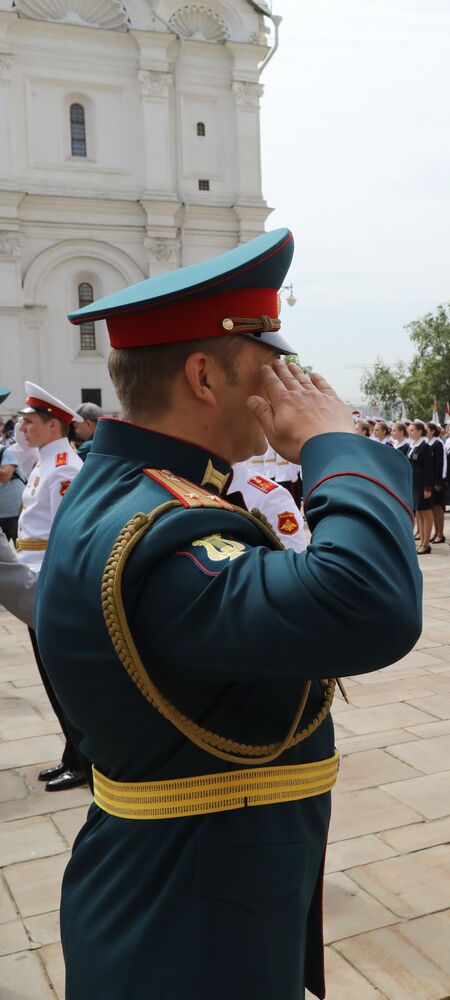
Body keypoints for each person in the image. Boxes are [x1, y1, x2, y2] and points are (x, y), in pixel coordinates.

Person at [42, 228, 422, 999]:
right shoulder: (164, 528)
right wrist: (338, 448)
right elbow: (369, 601)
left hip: (185, 893)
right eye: (270, 363)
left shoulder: (124, 489)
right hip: (189, 926)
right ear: (205, 375)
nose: (287, 383)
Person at [17, 383, 87, 791]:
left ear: (53, 424)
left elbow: (66, 532)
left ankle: (81, 760)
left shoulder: (62, 466)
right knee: (50, 676)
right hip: (34, 576)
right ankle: (71, 754)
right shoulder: (46, 461)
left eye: (29, 421)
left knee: (60, 678)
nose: (22, 428)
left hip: (48, 578)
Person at [407, 420, 436, 554]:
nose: (410, 432)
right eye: (409, 430)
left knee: (426, 513)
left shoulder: (425, 446)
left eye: (412, 430)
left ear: (420, 431)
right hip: (414, 484)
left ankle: (426, 543)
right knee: (419, 513)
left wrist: (428, 487)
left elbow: (430, 469)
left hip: (423, 484)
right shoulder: (412, 445)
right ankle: (422, 541)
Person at [0, 430, 24, 541]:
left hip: (14, 512)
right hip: (1, 512)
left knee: (21, 548)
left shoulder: (5, 451)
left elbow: (5, 475)